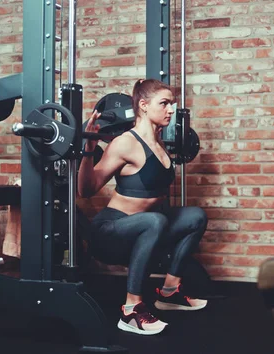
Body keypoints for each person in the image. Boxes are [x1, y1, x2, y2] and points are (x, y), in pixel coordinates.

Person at [78, 79, 208, 336]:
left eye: (171, 103)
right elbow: (87, 190)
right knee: (154, 220)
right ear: (144, 105)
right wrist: (88, 151)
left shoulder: (160, 144)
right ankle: (131, 310)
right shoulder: (125, 143)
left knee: (195, 216)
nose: (171, 109)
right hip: (111, 232)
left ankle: (169, 293)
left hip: (147, 230)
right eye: (165, 103)